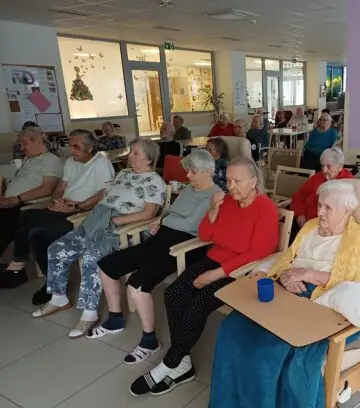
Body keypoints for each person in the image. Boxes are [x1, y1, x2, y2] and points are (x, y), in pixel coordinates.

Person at [201, 180, 360, 408]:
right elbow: (287, 257)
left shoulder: (358, 238)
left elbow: (353, 279)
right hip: (286, 288)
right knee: (231, 328)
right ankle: (224, 407)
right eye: (320, 205)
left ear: (347, 210)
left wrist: (306, 274)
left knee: (267, 348)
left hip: (319, 300)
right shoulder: (310, 227)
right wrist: (285, 275)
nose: (320, 212)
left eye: (328, 208)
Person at [129, 157, 279, 397]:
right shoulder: (226, 202)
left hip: (240, 272)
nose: (231, 186)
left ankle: (170, 363)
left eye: (237, 181)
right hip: (213, 260)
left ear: (253, 181)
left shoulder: (265, 208)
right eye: (228, 180)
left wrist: (215, 275)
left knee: (196, 305)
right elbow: (205, 235)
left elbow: (258, 253)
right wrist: (213, 210)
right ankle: (183, 363)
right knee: (173, 294)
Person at [92, 150, 220, 364]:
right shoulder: (189, 189)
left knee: (137, 284)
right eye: (187, 170)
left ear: (207, 171)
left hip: (184, 245)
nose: (188, 175)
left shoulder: (215, 195)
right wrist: (161, 220)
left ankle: (149, 341)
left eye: (192, 171)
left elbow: (191, 225)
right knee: (107, 265)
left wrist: (164, 221)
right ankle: (115, 319)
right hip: (161, 239)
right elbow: (171, 212)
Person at [31, 138, 166, 338]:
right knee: (57, 248)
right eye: (131, 151)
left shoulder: (153, 181)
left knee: (91, 258)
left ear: (148, 158)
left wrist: (117, 220)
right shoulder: (124, 173)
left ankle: (90, 312)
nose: (130, 155)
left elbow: (149, 213)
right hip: (97, 219)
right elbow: (105, 197)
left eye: (136, 153)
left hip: (122, 229)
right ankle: (58, 298)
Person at [0, 130, 115, 298]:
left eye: (76, 147)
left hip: (82, 213)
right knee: (35, 234)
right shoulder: (70, 162)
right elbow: (59, 187)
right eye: (70, 146)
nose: (71, 150)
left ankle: (20, 266)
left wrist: (77, 207)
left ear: (90, 147)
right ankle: (53, 285)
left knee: (30, 220)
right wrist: (57, 201)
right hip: (64, 209)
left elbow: (103, 194)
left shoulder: (101, 163)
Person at [0, 128, 62, 262]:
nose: (22, 148)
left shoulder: (50, 160)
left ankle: (16, 267)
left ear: (39, 141)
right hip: (11, 202)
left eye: (24, 143)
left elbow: (47, 188)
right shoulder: (29, 159)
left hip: (26, 204)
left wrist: (16, 199)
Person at [291, 147, 353, 238]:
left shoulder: (347, 183)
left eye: (328, 166)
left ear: (340, 167)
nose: (324, 170)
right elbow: (300, 194)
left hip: (322, 227)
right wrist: (300, 214)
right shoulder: (318, 177)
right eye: (322, 166)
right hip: (304, 222)